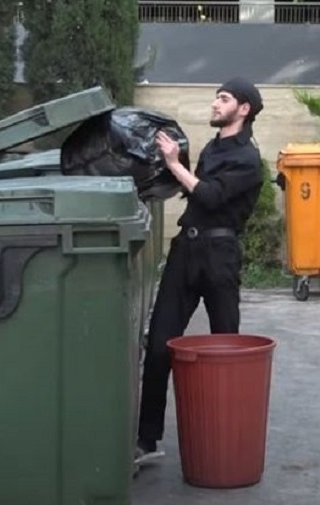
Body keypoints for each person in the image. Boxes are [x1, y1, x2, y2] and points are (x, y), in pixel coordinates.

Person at [136, 77, 265, 459]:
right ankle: (146, 440)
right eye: (216, 97)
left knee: (226, 347)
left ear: (243, 109)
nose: (215, 103)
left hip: (220, 255)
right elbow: (194, 188)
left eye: (223, 98)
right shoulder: (212, 147)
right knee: (159, 345)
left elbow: (209, 195)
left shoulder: (249, 159)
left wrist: (175, 164)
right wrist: (168, 165)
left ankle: (228, 439)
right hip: (186, 250)